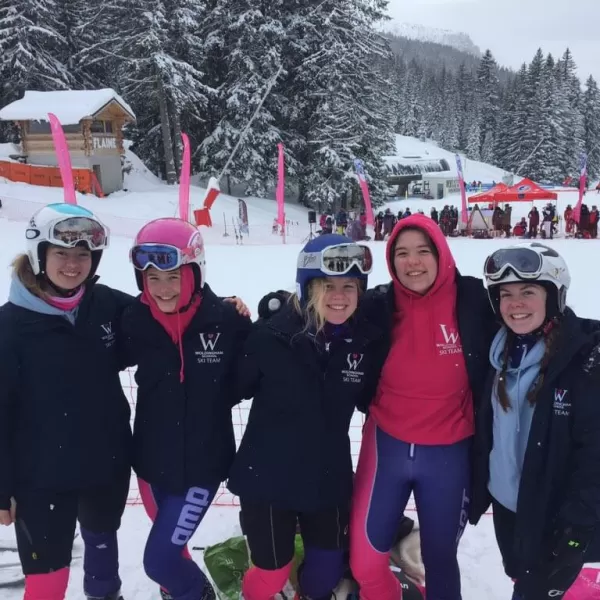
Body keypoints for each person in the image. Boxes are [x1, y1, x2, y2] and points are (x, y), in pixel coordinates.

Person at [228, 234, 385, 600]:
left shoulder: (363, 343)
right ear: (307, 287)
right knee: (270, 575)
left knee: (324, 577)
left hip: (326, 479)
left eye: (349, 286)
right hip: (268, 479)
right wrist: (220, 319)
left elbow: (375, 400)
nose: (339, 296)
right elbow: (226, 388)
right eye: (327, 286)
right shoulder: (270, 336)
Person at [349, 213, 496, 600]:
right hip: (386, 446)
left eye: (422, 251)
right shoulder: (378, 305)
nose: (412, 262)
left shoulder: (474, 300)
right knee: (365, 564)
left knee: (440, 560)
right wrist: (262, 308)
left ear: (441, 253)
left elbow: (528, 314)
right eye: (401, 253)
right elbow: (326, 310)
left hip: (450, 453)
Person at [0, 203, 134, 600]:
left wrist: (223, 306)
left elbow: (164, 314)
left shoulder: (104, 303)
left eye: (83, 255)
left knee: (102, 550)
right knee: (47, 581)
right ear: (39, 255)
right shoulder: (10, 327)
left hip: (104, 461)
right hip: (40, 476)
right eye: (61, 253)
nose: (73, 265)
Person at [121, 218, 252, 600]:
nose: (163, 288)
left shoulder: (226, 320)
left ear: (194, 272)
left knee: (159, 561)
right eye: (153, 278)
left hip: (200, 469)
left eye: (173, 277)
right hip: (150, 467)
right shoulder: (133, 318)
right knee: (173, 552)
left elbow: (255, 373)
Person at [469, 243, 600, 600]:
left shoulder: (585, 360)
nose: (516, 304)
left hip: (557, 516)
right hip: (508, 506)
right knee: (520, 577)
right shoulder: (497, 352)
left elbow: (595, 455)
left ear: (554, 297)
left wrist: (577, 528)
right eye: (506, 294)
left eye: (528, 292)